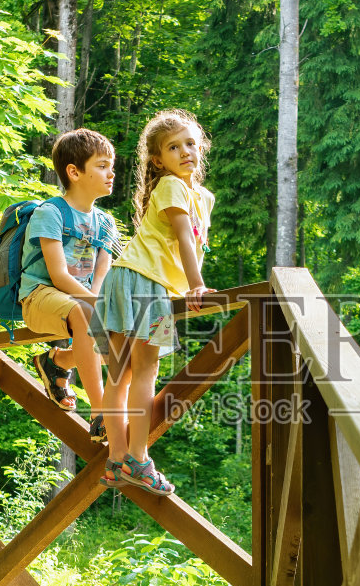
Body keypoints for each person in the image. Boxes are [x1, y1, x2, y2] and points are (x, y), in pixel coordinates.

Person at [90, 109, 214, 496]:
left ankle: (116, 461)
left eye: (191, 144)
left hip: (127, 280)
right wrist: (196, 286)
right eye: (173, 147)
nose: (185, 152)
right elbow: (183, 239)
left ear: (201, 148)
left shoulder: (200, 196)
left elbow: (189, 242)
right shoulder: (173, 187)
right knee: (144, 373)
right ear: (158, 160)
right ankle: (139, 460)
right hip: (147, 287)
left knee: (121, 375)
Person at [20, 128, 120, 433]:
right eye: (102, 166)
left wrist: (100, 305)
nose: (111, 173)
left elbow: (101, 273)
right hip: (39, 297)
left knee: (124, 334)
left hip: (79, 303)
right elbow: (58, 275)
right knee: (88, 313)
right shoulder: (50, 213)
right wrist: (94, 305)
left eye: (111, 166)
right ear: (74, 172)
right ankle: (102, 413)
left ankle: (58, 361)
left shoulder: (105, 222)